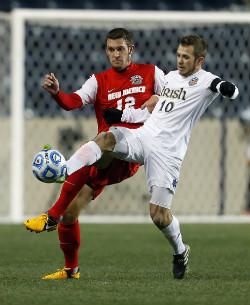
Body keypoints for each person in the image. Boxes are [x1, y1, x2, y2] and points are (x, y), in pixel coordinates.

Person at [63, 35, 239, 280]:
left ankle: (180, 250)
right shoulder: (170, 78)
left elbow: (230, 90)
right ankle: (65, 168)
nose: (180, 60)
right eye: (178, 55)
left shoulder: (207, 80)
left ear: (199, 60)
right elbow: (150, 108)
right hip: (145, 136)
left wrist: (225, 88)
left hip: (168, 153)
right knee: (106, 138)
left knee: (158, 215)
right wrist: (122, 114)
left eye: (186, 57)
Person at [24, 28, 165, 279]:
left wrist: (159, 100)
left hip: (132, 150)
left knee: (105, 138)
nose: (115, 54)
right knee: (71, 213)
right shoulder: (98, 81)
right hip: (102, 156)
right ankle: (71, 270)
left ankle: (51, 213)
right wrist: (57, 93)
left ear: (130, 49)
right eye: (110, 49)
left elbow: (173, 99)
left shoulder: (152, 73)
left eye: (120, 49)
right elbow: (73, 102)